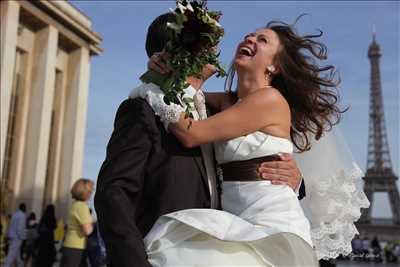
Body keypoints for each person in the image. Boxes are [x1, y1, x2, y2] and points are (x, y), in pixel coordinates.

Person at [135, 16, 369, 266]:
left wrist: (154, 89)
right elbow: (188, 92)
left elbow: (191, 133)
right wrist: (160, 69)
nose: (250, 39)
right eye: (249, 35)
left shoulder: (269, 100)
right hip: (236, 226)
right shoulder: (228, 102)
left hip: (271, 231)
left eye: (262, 40)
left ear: (274, 66)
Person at [95, 12, 305, 267]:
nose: (215, 49)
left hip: (245, 239)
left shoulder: (229, 111)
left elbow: (201, 133)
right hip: (168, 250)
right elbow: (113, 193)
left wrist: (296, 179)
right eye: (205, 41)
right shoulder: (144, 110)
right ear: (173, 53)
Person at [60, 178, 94, 267]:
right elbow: (88, 230)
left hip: (70, 245)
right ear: (85, 192)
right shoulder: (82, 207)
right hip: (77, 247)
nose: (91, 193)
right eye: (90, 190)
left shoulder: (75, 205)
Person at [4, 203, 26, 267]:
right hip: (17, 238)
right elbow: (20, 228)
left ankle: (20, 265)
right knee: (11, 255)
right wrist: (23, 237)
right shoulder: (22, 215)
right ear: (24, 208)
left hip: (12, 236)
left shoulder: (15, 214)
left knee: (17, 255)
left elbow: (11, 225)